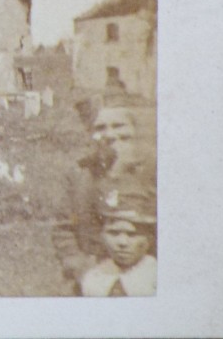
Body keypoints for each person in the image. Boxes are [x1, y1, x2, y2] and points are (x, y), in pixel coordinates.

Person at [52, 93, 155, 287]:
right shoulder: (79, 173)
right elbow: (63, 229)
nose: (110, 134)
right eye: (100, 128)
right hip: (94, 273)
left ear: (134, 128)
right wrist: (80, 269)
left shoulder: (153, 169)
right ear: (90, 132)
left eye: (118, 126)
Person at [78, 180, 157, 296]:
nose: (122, 242)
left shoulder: (156, 277)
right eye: (113, 233)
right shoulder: (92, 280)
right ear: (101, 235)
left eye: (132, 234)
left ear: (149, 238)